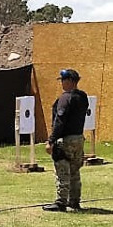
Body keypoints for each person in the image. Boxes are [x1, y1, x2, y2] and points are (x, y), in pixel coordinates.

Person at [43, 69, 89, 211]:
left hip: (66, 139)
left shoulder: (65, 98)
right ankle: (74, 200)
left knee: (62, 171)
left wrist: (51, 140)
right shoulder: (82, 96)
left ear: (69, 80)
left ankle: (61, 201)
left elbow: (60, 121)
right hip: (78, 138)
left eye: (63, 80)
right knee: (75, 172)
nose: (62, 83)